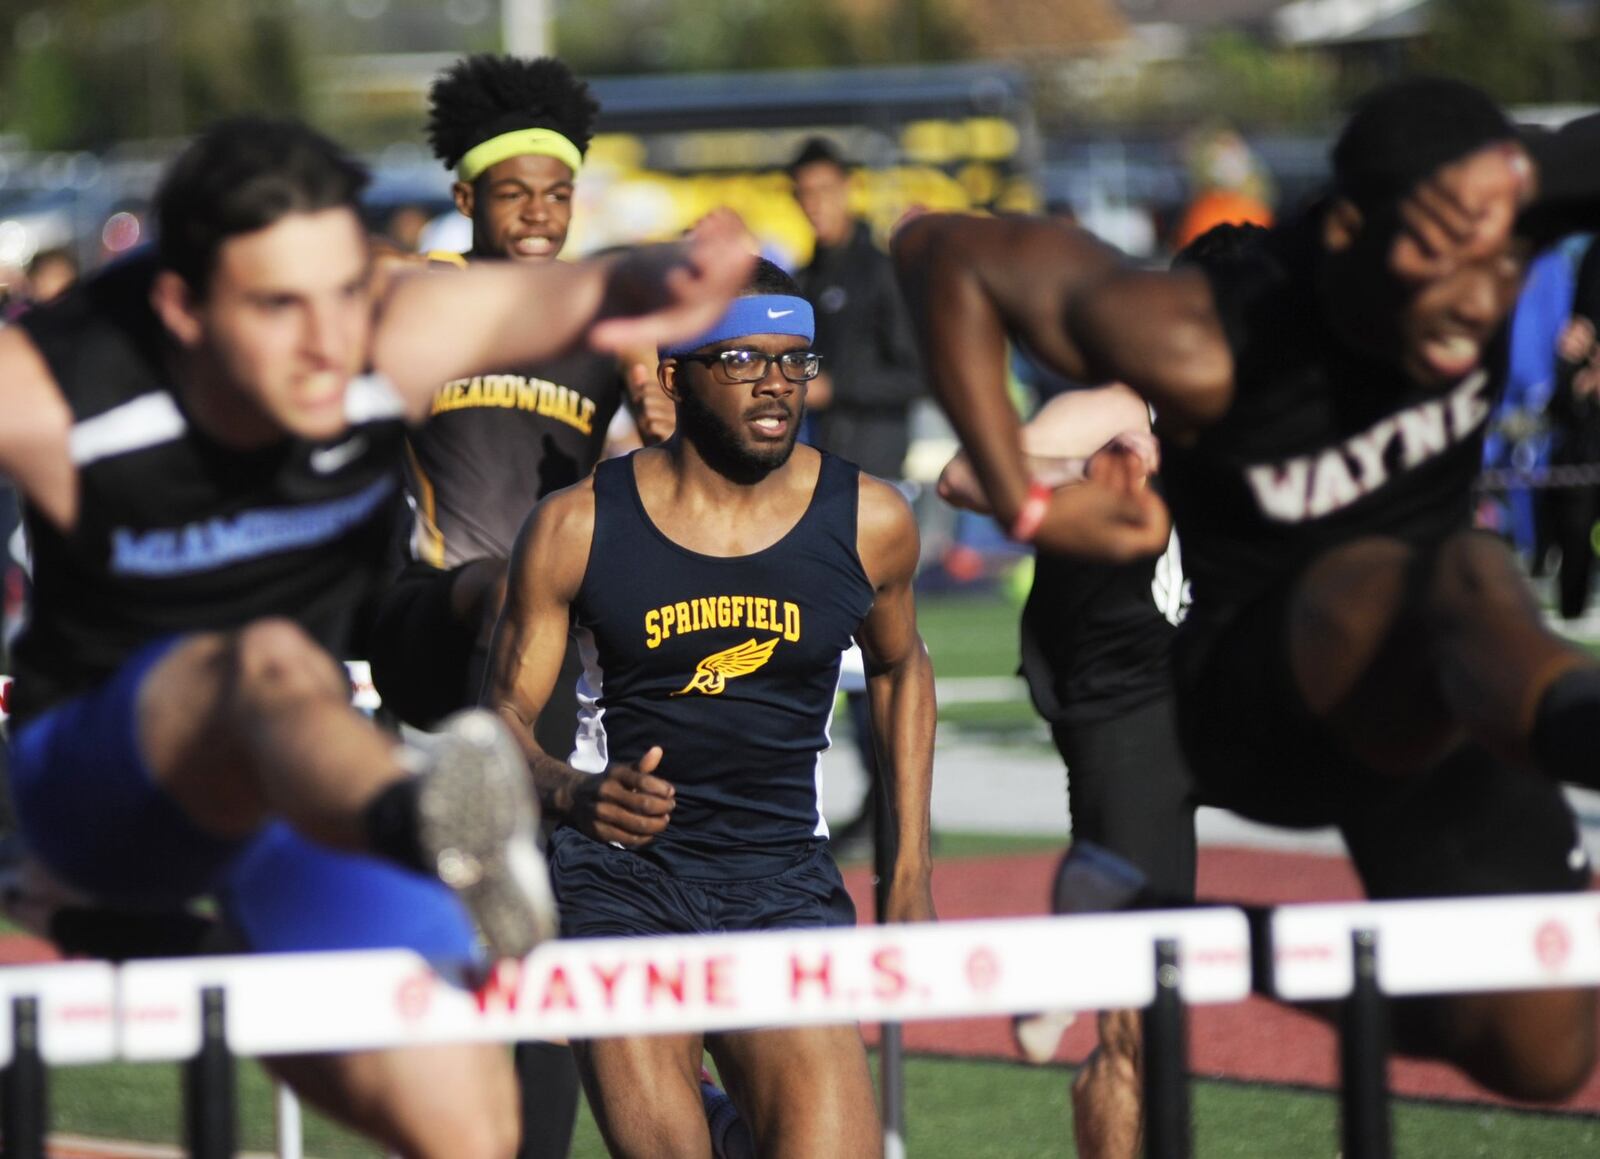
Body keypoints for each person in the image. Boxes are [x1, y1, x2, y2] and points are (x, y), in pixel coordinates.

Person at [0, 115, 752, 1157]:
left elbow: (588, 290)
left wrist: (673, 274)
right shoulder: (53, 385)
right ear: (182, 307)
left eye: (342, 294)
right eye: (275, 306)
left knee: (470, 1127)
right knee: (259, 661)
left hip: (301, 792)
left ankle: (427, 838)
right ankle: (438, 824)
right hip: (102, 791)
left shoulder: (392, 330)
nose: (323, 343)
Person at [895, 77, 1600, 1103]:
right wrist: (1030, 504)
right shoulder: (1202, 335)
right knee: (1443, 566)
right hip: (1254, 689)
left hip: (1423, 691)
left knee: (1540, 1049)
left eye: (1506, 260)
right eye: (1439, 264)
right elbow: (937, 251)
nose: (1478, 299)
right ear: (1352, 231)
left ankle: (1167, 923)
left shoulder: (1494, 195)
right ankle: (1579, 725)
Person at [486, 257, 936, 1156]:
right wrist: (573, 793)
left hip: (781, 881)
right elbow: (497, 714)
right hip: (622, 882)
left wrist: (910, 866)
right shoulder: (576, 525)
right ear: (671, 376)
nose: (774, 382)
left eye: (793, 359)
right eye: (740, 358)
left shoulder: (868, 519)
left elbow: (899, 668)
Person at [363, 52, 672, 1159]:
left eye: (557, 194)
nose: (538, 215)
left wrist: (659, 412)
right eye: (513, 192)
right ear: (465, 199)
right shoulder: (414, 291)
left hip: (543, 655)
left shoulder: (601, 324)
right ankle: (501, 802)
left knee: (534, 932)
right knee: (506, 582)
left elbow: (667, 468)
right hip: (424, 617)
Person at [789, 136, 925, 853]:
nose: (816, 204)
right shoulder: (805, 275)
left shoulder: (881, 273)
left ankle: (897, 809)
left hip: (877, 482)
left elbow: (915, 374)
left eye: (824, 189)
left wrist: (841, 388)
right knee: (830, 656)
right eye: (803, 193)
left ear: (847, 189)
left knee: (887, 652)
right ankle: (872, 799)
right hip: (816, 482)